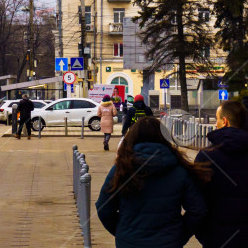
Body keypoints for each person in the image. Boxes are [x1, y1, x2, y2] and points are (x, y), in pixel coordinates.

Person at [96, 117, 209, 247]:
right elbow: (197, 209)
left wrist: (123, 231)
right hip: (168, 241)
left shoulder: (121, 169)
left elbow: (104, 208)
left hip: (129, 241)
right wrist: (179, 235)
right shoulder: (179, 169)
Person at [193, 100, 248, 248]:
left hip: (216, 236)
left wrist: (203, 233)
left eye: (216, 119)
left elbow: (195, 201)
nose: (215, 124)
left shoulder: (207, 156)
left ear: (224, 121)